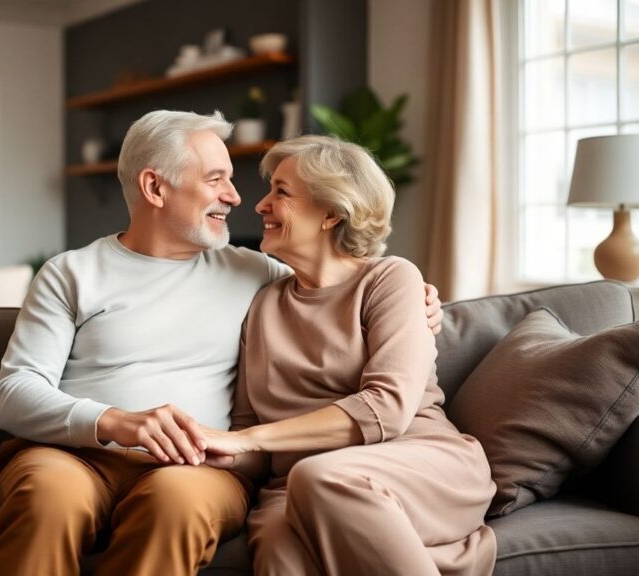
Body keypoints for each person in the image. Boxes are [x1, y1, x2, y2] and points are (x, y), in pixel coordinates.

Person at [0, 112, 443, 576]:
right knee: (48, 497)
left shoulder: (259, 272)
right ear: (155, 188)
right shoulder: (71, 273)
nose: (237, 197)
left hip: (195, 470)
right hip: (72, 457)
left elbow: (340, 281)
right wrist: (116, 423)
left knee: (175, 505)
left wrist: (422, 301)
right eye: (216, 179)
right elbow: (14, 393)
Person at [198, 135, 496, 576]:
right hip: (296, 482)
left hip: (416, 460)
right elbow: (249, 429)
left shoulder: (391, 279)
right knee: (280, 548)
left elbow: (388, 409)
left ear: (332, 213)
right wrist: (201, 447)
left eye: (281, 192)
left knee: (320, 478)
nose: (260, 205)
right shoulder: (262, 305)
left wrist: (247, 440)